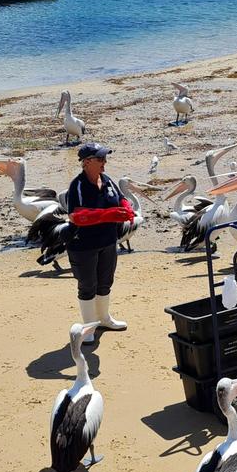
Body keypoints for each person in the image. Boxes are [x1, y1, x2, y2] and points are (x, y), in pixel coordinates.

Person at [66, 142, 134, 343]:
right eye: (100, 159)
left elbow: (120, 198)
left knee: (105, 282)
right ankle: (88, 327)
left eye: (105, 158)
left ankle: (104, 319)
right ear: (86, 162)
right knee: (87, 285)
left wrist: (126, 208)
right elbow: (76, 216)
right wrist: (109, 214)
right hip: (83, 245)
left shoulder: (107, 180)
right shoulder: (77, 185)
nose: (105, 162)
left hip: (108, 241)